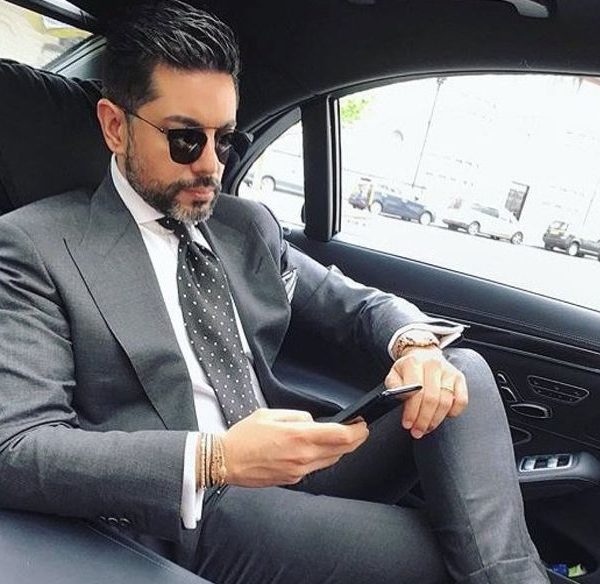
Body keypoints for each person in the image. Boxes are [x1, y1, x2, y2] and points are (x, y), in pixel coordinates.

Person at [0, 2, 554, 583]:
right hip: (195, 507)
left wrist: (413, 345)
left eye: (224, 140)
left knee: (459, 371)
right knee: (452, 557)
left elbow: (355, 304)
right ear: (116, 126)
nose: (211, 166)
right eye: (186, 140)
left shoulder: (243, 227)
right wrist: (216, 458)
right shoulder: (35, 246)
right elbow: (16, 447)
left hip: (294, 463)